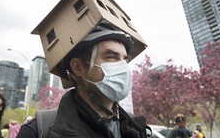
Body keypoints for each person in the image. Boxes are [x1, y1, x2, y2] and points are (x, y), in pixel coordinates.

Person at [17, 23, 148, 138]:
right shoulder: (36, 131)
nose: (122, 67)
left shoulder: (135, 127)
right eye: (111, 57)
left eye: (125, 60)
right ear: (78, 67)